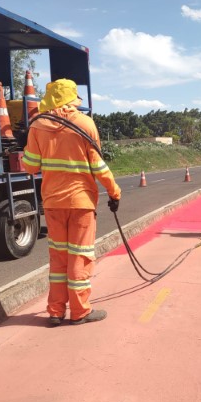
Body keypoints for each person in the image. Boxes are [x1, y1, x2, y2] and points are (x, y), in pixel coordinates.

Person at [22, 79, 121, 326]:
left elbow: (31, 166)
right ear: (72, 100)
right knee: (80, 257)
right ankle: (79, 312)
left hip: (53, 203)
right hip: (81, 203)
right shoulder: (85, 123)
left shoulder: (38, 126)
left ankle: (55, 311)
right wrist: (114, 192)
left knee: (59, 259)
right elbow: (98, 165)